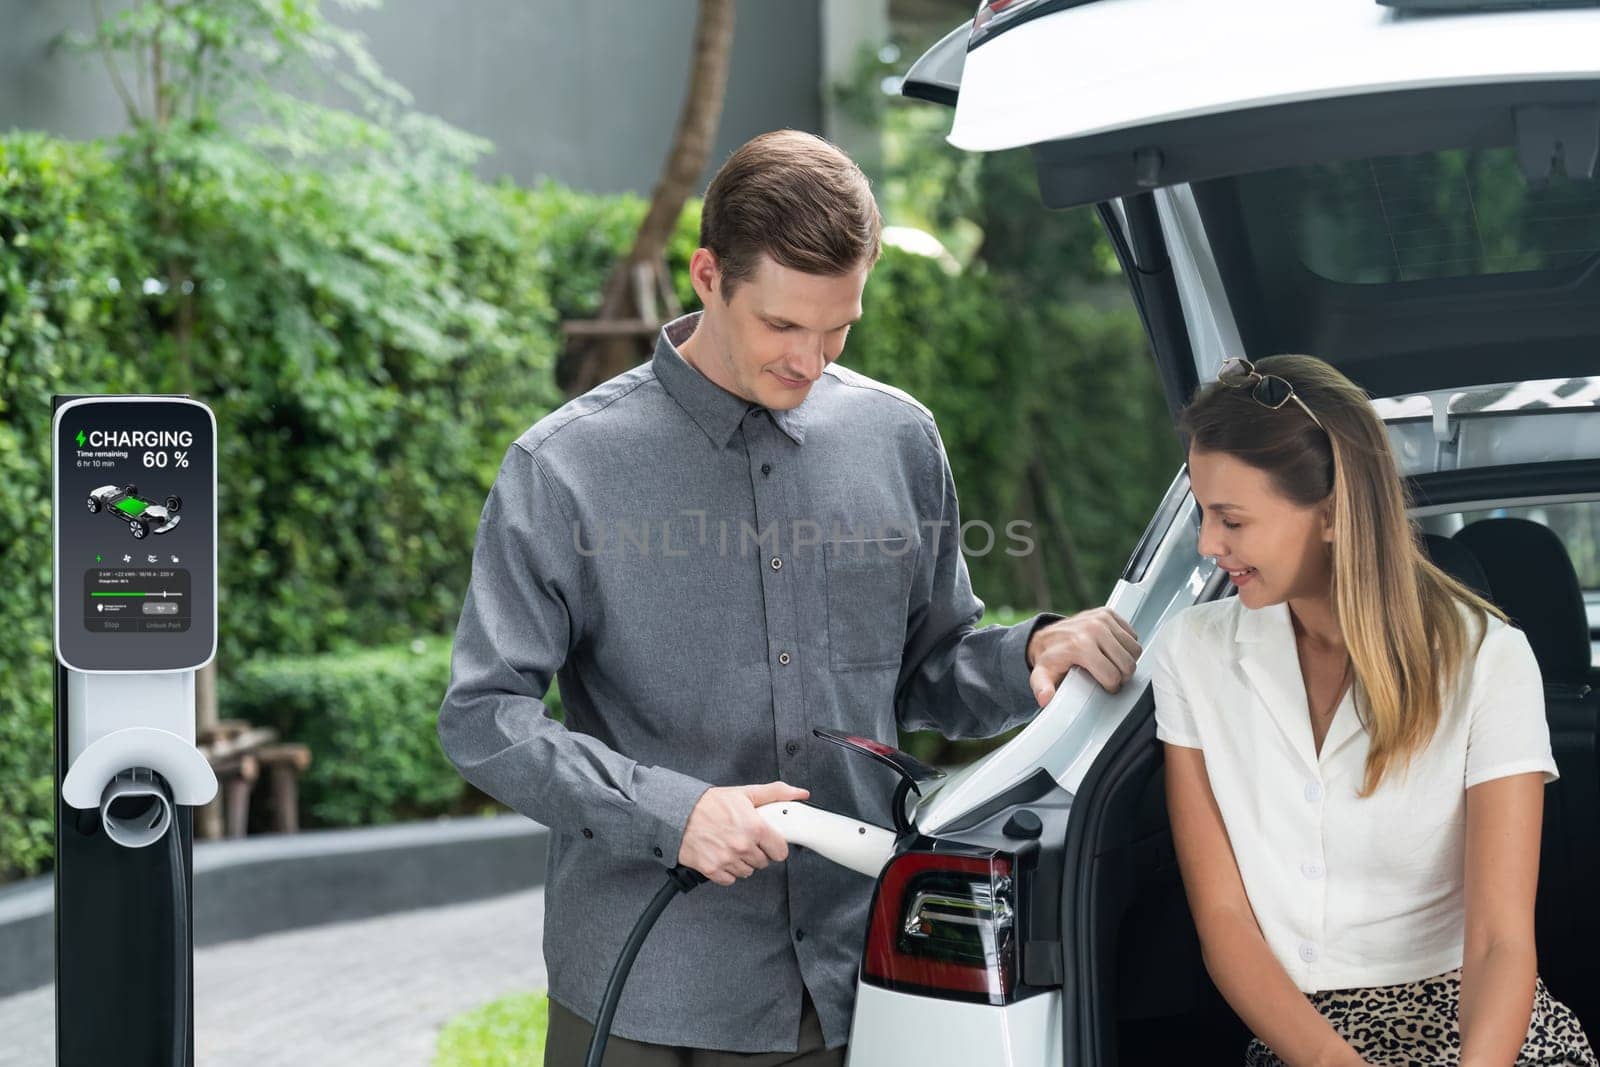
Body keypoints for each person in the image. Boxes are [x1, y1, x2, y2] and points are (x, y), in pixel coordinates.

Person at [436, 129, 1142, 1065]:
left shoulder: (896, 438)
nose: (810, 360)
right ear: (706, 276)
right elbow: (484, 716)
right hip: (653, 991)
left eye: (838, 326)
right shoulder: (565, 470)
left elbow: (929, 669)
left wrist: (1028, 658)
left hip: (856, 978)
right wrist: (672, 812)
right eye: (781, 325)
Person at [1152, 354, 1596, 1066]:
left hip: (1481, 1029)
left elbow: (1499, 942)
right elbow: (1225, 922)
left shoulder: (1489, 659)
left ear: (1331, 516)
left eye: (1230, 518)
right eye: (1203, 513)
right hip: (1304, 1038)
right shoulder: (1190, 656)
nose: (1208, 545)